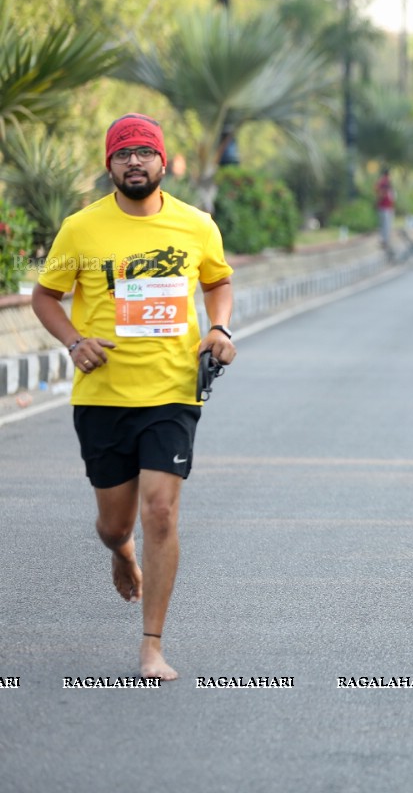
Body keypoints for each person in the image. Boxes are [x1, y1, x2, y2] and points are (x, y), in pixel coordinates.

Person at [30, 113, 237, 680]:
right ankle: (121, 552)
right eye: (123, 153)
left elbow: (218, 282)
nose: (135, 161)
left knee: (162, 513)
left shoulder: (197, 226)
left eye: (145, 152)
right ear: (109, 166)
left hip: (172, 391)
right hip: (102, 396)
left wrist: (219, 329)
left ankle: (152, 646)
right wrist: (73, 342)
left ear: (162, 162)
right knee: (115, 525)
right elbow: (45, 297)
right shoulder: (81, 229)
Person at [376, 167, 396, 259]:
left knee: (385, 225)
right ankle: (385, 242)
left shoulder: (384, 182)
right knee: (385, 225)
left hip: (386, 206)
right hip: (385, 207)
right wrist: (382, 197)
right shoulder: (384, 182)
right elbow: (381, 192)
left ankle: (385, 241)